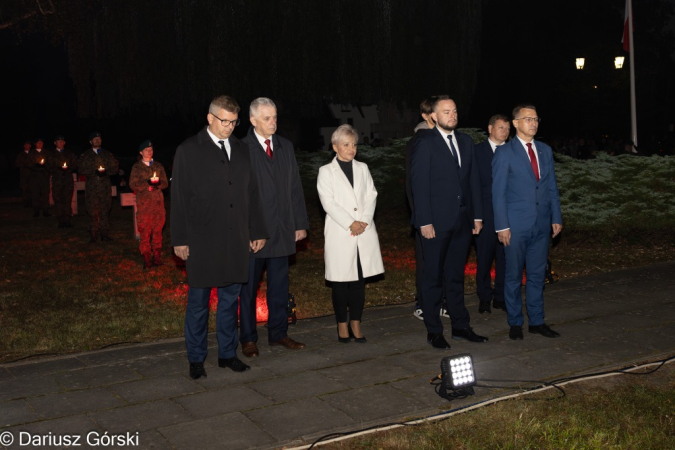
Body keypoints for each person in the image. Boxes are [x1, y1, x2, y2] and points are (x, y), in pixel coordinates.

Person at [171, 95, 268, 380]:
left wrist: (257, 229)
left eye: (233, 122)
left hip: (235, 238)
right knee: (199, 302)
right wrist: (180, 239)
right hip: (201, 239)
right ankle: (196, 358)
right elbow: (178, 199)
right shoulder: (189, 150)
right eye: (224, 121)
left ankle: (227, 354)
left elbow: (252, 192)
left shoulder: (242, 149)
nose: (229, 127)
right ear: (210, 118)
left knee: (230, 301)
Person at [410, 96, 487, 349]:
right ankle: (434, 329)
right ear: (433, 116)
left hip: (462, 222)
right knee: (432, 278)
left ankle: (461, 326)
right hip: (435, 223)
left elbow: (473, 181)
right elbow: (418, 185)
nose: (452, 115)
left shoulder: (465, 141)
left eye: (454, 111)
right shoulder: (424, 142)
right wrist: (425, 221)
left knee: (455, 276)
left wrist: (477, 216)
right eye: (446, 111)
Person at [239, 98, 309, 358]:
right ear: (253, 120)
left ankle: (279, 333)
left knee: (279, 285)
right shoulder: (242, 148)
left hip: (282, 230)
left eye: (275, 117)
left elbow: (294, 187)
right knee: (248, 288)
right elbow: (240, 195)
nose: (273, 122)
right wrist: (247, 230)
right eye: (267, 118)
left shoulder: (285, 146)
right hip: (255, 234)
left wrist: (300, 224)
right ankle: (247, 338)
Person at [492, 104, 563, 340]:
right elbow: (498, 192)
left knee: (536, 275)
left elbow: (551, 187)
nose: (533, 123)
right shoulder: (505, 152)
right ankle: (515, 322)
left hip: (542, 225)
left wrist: (555, 217)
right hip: (515, 226)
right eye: (528, 119)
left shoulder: (544, 150)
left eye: (536, 118)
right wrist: (502, 226)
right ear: (515, 123)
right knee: (513, 276)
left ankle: (537, 321)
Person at [317, 124, 384, 343]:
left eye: (354, 144)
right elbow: (328, 202)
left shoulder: (363, 168)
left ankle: (356, 321)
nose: (351, 149)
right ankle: (342, 324)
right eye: (346, 144)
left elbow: (371, 195)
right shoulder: (326, 172)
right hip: (340, 232)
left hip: (363, 232)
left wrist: (363, 221)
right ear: (335, 146)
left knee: (358, 282)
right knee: (340, 282)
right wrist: (350, 223)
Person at [405, 96, 449, 321]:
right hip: (426, 215)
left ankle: (441, 302)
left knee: (443, 262)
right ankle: (422, 303)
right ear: (427, 115)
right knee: (426, 262)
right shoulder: (419, 140)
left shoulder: (445, 139)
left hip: (446, 214)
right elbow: (412, 183)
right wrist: (421, 216)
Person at [474, 115, 510, 314]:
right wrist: (476, 216)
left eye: (507, 128)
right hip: (485, 216)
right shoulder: (477, 151)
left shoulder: (513, 151)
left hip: (507, 216)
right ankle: (484, 298)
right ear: (490, 128)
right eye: (500, 127)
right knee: (484, 259)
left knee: (504, 258)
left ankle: (500, 297)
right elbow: (473, 185)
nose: (504, 131)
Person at [129, 140, 169, 269]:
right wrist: (147, 186)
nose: (149, 152)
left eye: (151, 149)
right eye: (146, 150)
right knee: (145, 231)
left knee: (157, 230)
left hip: (158, 204)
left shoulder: (158, 166)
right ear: (141, 152)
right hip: (145, 204)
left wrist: (157, 184)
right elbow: (132, 184)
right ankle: (146, 257)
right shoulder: (137, 167)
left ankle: (157, 257)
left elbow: (165, 183)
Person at [78, 132, 119, 242]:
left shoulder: (107, 154)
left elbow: (115, 169)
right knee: (92, 210)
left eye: (99, 138)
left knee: (105, 209)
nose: (97, 140)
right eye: (94, 139)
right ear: (90, 141)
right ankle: (93, 234)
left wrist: (105, 172)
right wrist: (94, 172)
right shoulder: (85, 155)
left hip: (104, 186)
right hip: (92, 187)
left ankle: (104, 233)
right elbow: (81, 169)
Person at [47, 135, 78, 228]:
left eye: (62, 141)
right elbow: (48, 167)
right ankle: (60, 220)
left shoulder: (69, 153)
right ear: (55, 143)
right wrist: (58, 169)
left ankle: (67, 220)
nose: (60, 143)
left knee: (67, 200)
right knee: (58, 200)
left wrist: (67, 169)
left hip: (68, 179)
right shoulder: (51, 154)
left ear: (64, 143)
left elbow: (75, 165)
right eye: (58, 141)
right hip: (57, 180)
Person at [28, 138, 51, 218]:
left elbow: (50, 163)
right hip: (35, 177)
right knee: (35, 194)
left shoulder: (47, 153)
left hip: (44, 177)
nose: (40, 144)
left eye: (41, 143)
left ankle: (46, 210)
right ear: (35, 144)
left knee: (45, 194)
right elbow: (29, 164)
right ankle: (36, 211)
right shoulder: (32, 153)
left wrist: (45, 167)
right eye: (38, 143)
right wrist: (36, 165)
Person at [15, 140, 33, 207]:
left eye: (28, 145)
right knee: (25, 189)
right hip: (24, 175)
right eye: (25, 145)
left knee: (32, 189)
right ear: (24, 146)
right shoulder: (20, 155)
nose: (27, 146)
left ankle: (32, 202)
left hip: (32, 175)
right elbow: (17, 164)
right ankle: (26, 203)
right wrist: (24, 164)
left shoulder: (33, 154)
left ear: (30, 146)